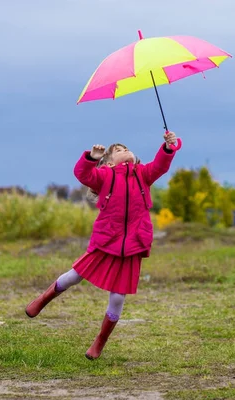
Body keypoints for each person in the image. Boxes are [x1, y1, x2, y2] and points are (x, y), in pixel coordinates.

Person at [25, 132, 179, 360]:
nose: (125, 151)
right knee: (74, 276)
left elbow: (161, 165)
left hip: (133, 245)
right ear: (108, 162)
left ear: (134, 158)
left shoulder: (143, 174)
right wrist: (90, 157)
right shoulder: (104, 176)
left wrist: (169, 147)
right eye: (118, 150)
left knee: (117, 298)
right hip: (107, 240)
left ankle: (100, 341)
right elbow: (82, 174)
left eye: (126, 148)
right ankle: (42, 300)